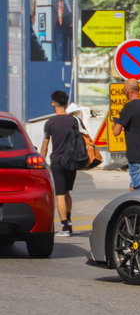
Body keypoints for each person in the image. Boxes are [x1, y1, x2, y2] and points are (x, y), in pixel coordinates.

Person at [40, 91, 76, 236]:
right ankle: (69, 221)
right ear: (67, 103)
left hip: (58, 161)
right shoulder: (74, 121)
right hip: (72, 161)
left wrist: (41, 163)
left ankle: (65, 227)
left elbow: (45, 146)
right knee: (67, 191)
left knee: (60, 194)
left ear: (53, 104)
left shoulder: (50, 123)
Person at [113, 79, 140, 191]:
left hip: (137, 155)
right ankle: (130, 207)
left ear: (127, 91)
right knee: (135, 183)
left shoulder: (129, 107)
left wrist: (117, 125)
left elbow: (116, 132)